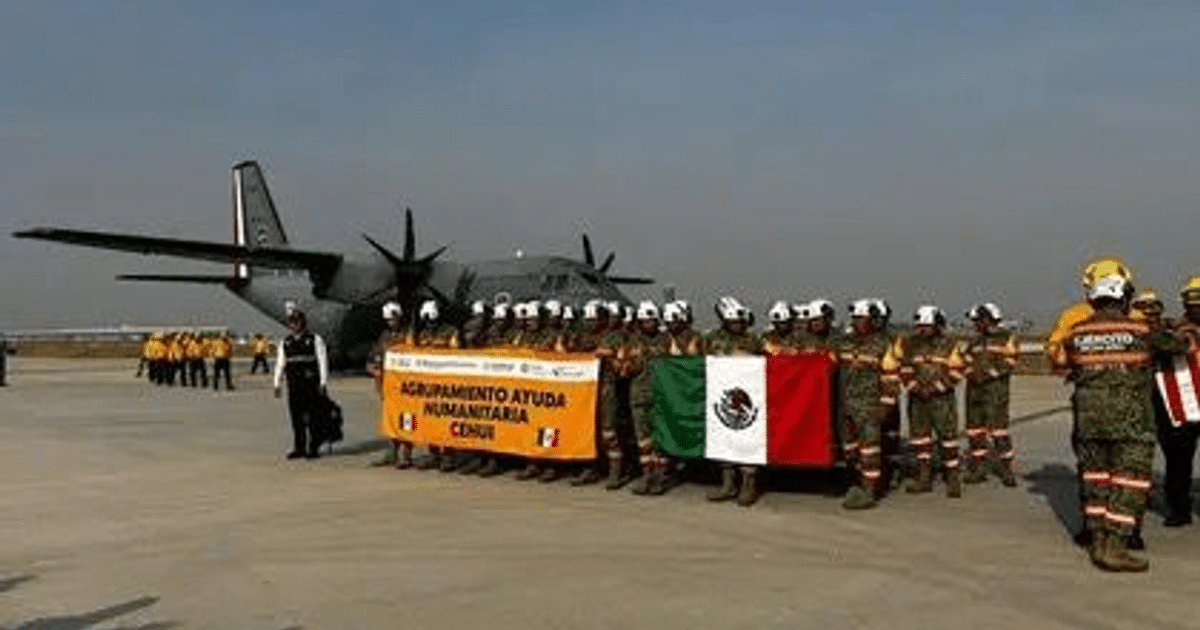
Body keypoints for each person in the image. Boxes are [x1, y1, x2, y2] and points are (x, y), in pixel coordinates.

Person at [1055, 274, 1181, 572]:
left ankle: (1097, 538)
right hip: (1131, 421)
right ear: (1123, 299)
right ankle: (1114, 547)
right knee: (1130, 482)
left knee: (1095, 480)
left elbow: (1065, 362)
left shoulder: (1076, 332)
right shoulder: (1140, 329)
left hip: (1088, 420)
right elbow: (1176, 346)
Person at [835, 299, 901, 510]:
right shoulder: (844, 342)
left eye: (861, 318)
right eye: (854, 318)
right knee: (850, 450)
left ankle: (870, 492)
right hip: (847, 407)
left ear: (872, 320)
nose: (856, 322)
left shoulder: (883, 345)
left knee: (870, 451)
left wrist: (885, 406)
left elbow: (891, 378)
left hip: (870, 408)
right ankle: (857, 485)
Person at [900, 306, 966, 498]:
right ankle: (924, 478)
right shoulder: (909, 344)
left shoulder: (949, 345)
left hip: (942, 402)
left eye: (927, 326)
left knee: (948, 441)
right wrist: (914, 387)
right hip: (917, 401)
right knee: (921, 441)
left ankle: (953, 480)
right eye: (920, 326)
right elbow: (904, 369)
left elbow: (956, 371)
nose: (922, 330)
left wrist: (935, 388)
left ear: (938, 325)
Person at [705, 297, 765, 506]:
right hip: (722, 398)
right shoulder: (713, 339)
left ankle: (749, 485)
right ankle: (727, 485)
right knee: (724, 440)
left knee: (748, 439)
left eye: (740, 323)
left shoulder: (754, 341)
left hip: (749, 399)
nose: (737, 326)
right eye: (732, 323)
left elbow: (766, 365)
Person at [1156, 279, 1200, 527]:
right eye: (1191, 305)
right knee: (1178, 460)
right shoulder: (1173, 332)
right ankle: (1179, 508)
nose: (1196, 310)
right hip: (1184, 406)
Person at [961, 303, 1020, 487]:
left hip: (995, 392)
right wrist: (971, 373)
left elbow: (1010, 362)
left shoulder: (1008, 338)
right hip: (974, 392)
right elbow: (966, 360)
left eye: (978, 320)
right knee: (975, 431)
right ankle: (978, 469)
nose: (975, 324)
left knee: (999, 432)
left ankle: (1007, 470)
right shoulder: (975, 341)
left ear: (989, 319)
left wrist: (989, 374)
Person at [568, 301, 623, 486]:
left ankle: (615, 471)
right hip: (586, 391)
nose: (590, 323)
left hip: (607, 389)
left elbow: (618, 355)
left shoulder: (614, 337)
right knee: (587, 431)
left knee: (608, 431)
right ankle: (590, 469)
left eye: (593, 319)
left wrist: (600, 352)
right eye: (587, 319)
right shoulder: (584, 337)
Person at [274, 309, 330, 459]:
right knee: (296, 418)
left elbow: (322, 361)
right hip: (294, 386)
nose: (294, 325)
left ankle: (313, 447)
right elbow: (280, 363)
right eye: (292, 322)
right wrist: (277, 383)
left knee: (313, 417)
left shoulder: (314, 339)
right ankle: (299, 447)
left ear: (303, 323)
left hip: (311, 385)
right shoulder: (285, 342)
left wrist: (323, 382)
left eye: (297, 322)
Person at [370, 301, 414, 469]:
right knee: (390, 420)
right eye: (388, 320)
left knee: (409, 420)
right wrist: (378, 382)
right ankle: (392, 452)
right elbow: (377, 359)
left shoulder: (409, 335)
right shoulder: (385, 336)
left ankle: (407, 454)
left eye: (393, 319)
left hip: (407, 387)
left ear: (399, 317)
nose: (390, 323)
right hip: (389, 385)